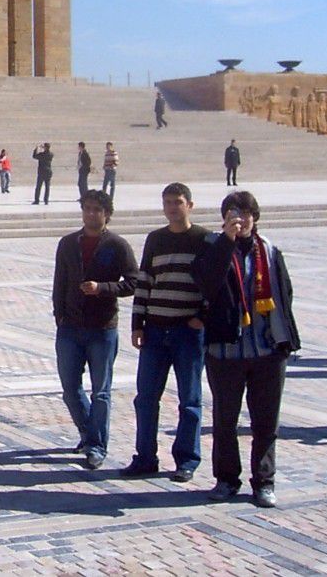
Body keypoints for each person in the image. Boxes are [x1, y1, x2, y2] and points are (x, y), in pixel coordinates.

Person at [193, 191, 300, 508]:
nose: (239, 219)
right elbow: (206, 282)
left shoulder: (268, 250)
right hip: (226, 352)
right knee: (225, 421)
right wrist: (226, 240)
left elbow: (285, 293)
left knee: (266, 422)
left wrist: (284, 339)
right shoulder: (213, 246)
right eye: (232, 213)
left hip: (267, 350)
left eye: (245, 213)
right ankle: (227, 479)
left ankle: (264, 481)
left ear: (255, 217)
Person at [122, 183, 210, 483]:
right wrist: (137, 323)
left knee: (190, 399)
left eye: (178, 202)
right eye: (168, 202)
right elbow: (144, 281)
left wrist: (202, 317)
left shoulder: (203, 240)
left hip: (187, 332)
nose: (173, 207)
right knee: (145, 397)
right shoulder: (155, 239)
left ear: (190, 205)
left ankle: (187, 459)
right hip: (156, 331)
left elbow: (214, 285)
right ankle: (145, 457)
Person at [52, 189, 139, 469]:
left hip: (102, 328)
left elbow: (134, 282)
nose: (91, 213)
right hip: (70, 328)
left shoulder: (117, 245)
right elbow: (59, 282)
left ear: (107, 214)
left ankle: (96, 446)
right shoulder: (67, 243)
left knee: (101, 391)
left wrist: (103, 289)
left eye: (97, 209)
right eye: (87, 208)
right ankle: (89, 434)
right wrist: (59, 315)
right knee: (70, 388)